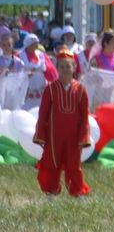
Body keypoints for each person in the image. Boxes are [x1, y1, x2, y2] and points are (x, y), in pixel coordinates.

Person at [33, 51, 91, 198]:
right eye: (62, 66)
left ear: (74, 67)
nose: (65, 69)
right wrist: (41, 134)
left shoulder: (81, 90)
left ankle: (78, 193)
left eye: (68, 66)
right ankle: (51, 193)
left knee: (74, 165)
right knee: (52, 163)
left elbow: (85, 116)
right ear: (57, 68)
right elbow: (43, 114)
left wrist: (83, 137)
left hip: (73, 136)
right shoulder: (50, 89)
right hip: (54, 136)